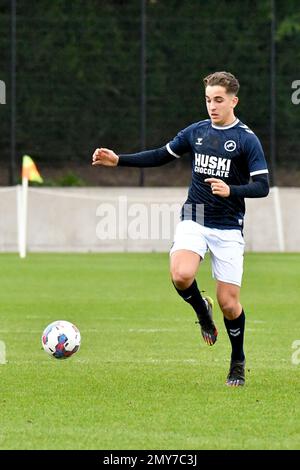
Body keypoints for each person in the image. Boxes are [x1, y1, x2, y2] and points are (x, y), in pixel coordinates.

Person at [92, 71, 269, 387]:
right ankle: (202, 312)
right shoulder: (197, 132)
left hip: (228, 226)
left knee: (229, 303)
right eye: (208, 100)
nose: (212, 106)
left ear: (233, 101)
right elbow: (161, 155)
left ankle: (237, 360)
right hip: (195, 215)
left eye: (218, 100)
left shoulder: (246, 139)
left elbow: (263, 186)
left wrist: (232, 190)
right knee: (181, 275)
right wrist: (119, 160)